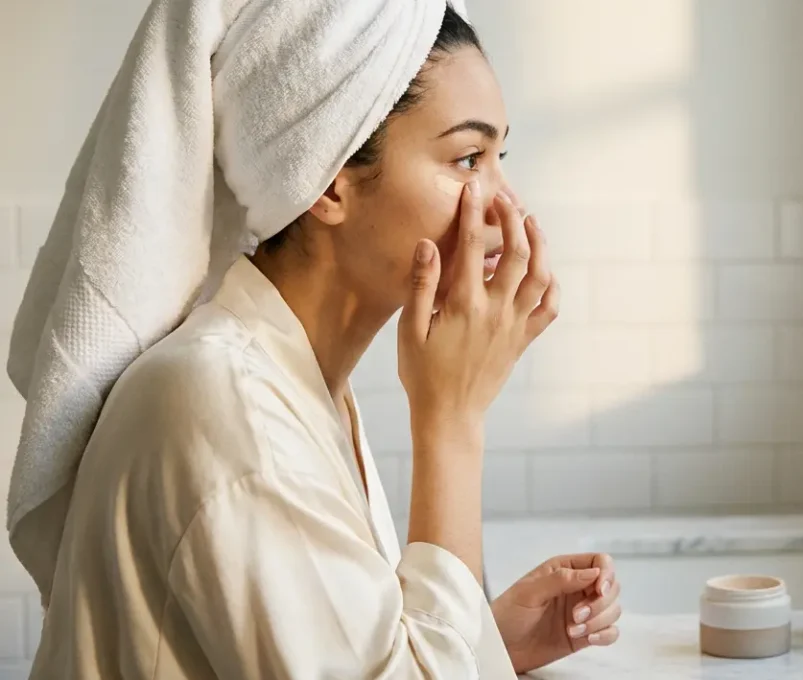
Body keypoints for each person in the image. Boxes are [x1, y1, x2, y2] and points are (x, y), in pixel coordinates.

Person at [9, 2, 620, 677]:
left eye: (499, 157)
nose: (508, 206)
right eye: (468, 158)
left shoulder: (286, 383)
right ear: (328, 181)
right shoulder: (225, 406)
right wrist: (450, 420)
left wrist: (487, 639)